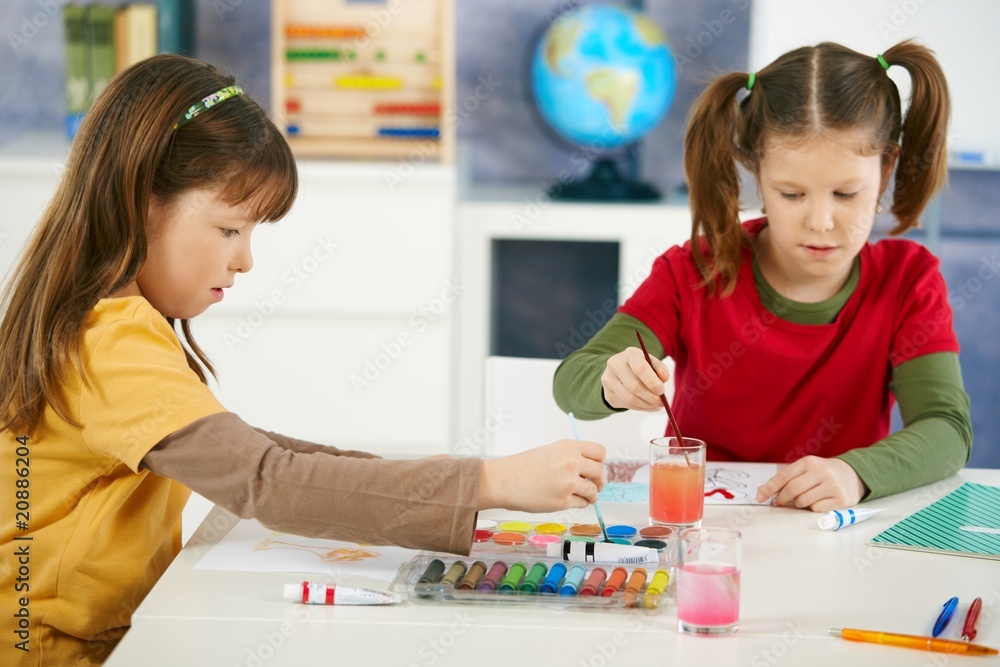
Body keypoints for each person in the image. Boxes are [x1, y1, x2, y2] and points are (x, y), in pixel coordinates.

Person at [0, 55, 605, 667]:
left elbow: (246, 450)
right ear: (143, 201)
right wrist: (489, 482)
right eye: (230, 230)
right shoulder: (111, 341)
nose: (246, 261)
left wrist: (431, 481)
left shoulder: (100, 324)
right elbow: (264, 478)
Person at [554, 40, 971, 513]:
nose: (820, 221)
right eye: (792, 194)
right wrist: (611, 381)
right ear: (757, 172)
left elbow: (946, 429)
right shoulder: (694, 270)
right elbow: (571, 382)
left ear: (887, 169)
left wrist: (856, 473)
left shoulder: (908, 280)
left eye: (846, 193)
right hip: (703, 529)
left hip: (833, 534)